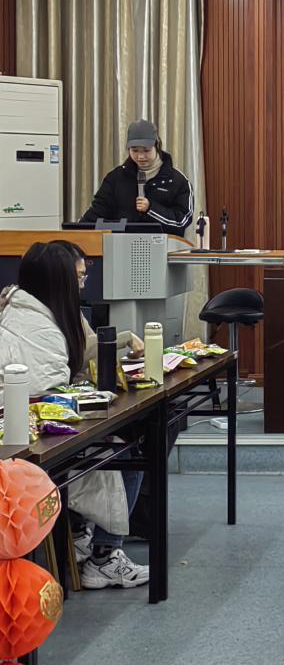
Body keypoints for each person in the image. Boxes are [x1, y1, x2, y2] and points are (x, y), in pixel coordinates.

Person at [0, 242, 149, 589]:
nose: (82, 285)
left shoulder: (31, 309)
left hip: (27, 433)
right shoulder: (36, 324)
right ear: (59, 281)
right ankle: (104, 556)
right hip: (30, 444)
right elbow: (47, 397)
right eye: (77, 278)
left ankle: (82, 534)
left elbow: (75, 359)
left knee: (129, 436)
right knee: (124, 452)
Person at [80, 119, 193, 236]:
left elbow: (182, 221)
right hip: (121, 244)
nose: (140, 156)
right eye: (134, 150)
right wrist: (76, 231)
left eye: (146, 150)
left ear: (157, 145)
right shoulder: (116, 178)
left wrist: (151, 209)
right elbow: (97, 213)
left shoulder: (177, 181)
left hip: (164, 245)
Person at [49, 240, 144, 363]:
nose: (82, 285)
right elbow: (80, 353)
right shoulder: (48, 313)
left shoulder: (68, 306)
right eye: (79, 277)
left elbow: (89, 345)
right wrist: (125, 338)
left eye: (83, 277)